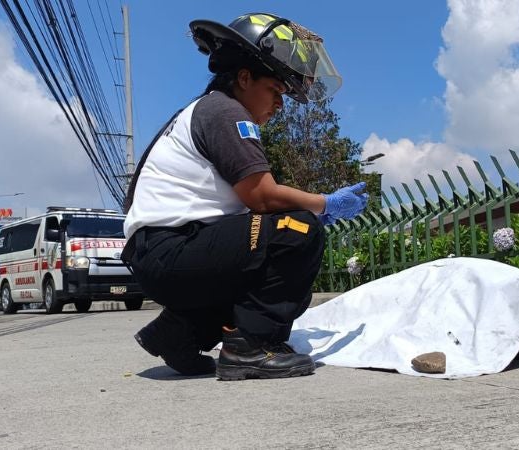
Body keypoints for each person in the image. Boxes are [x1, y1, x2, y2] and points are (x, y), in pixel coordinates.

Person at [121, 12, 367, 380]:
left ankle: (179, 335)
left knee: (259, 258)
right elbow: (262, 197)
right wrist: (324, 203)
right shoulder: (226, 111)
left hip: (161, 252)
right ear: (244, 77)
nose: (280, 104)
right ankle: (252, 346)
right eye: (275, 90)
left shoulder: (205, 110)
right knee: (297, 230)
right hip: (171, 248)